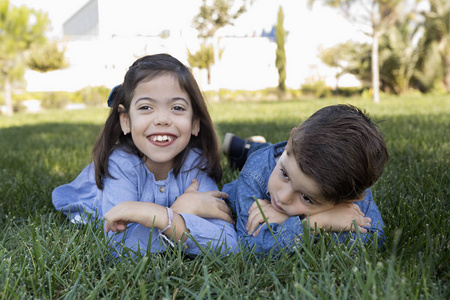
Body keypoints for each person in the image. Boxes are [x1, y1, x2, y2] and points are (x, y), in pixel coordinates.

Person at [52, 54, 237, 257]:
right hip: (93, 197)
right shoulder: (120, 165)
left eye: (177, 108)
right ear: (126, 121)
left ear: (195, 123)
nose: (162, 119)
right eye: (146, 107)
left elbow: (227, 243)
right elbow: (120, 247)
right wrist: (176, 215)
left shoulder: (196, 163)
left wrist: (162, 217)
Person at [221, 104, 389, 254]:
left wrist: (310, 223)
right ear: (291, 140)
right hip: (241, 185)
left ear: (347, 199)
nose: (283, 197)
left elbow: (375, 239)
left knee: (272, 155)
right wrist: (312, 223)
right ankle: (252, 148)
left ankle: (246, 148)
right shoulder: (253, 175)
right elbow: (248, 246)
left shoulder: (347, 184)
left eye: (307, 198)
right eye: (284, 174)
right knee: (262, 155)